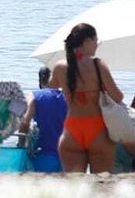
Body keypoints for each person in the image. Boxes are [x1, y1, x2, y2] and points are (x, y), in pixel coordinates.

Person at [49, 22, 122, 174]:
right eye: (96, 41)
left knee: (74, 186)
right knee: (101, 184)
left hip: (72, 130)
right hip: (97, 129)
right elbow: (118, 96)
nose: (97, 45)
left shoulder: (60, 66)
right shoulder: (98, 65)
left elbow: (52, 85)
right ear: (87, 41)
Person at [18, 66, 67, 172]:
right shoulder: (68, 97)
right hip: (67, 156)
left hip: (43, 155)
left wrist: (20, 144)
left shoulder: (34, 96)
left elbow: (25, 122)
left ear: (40, 80)